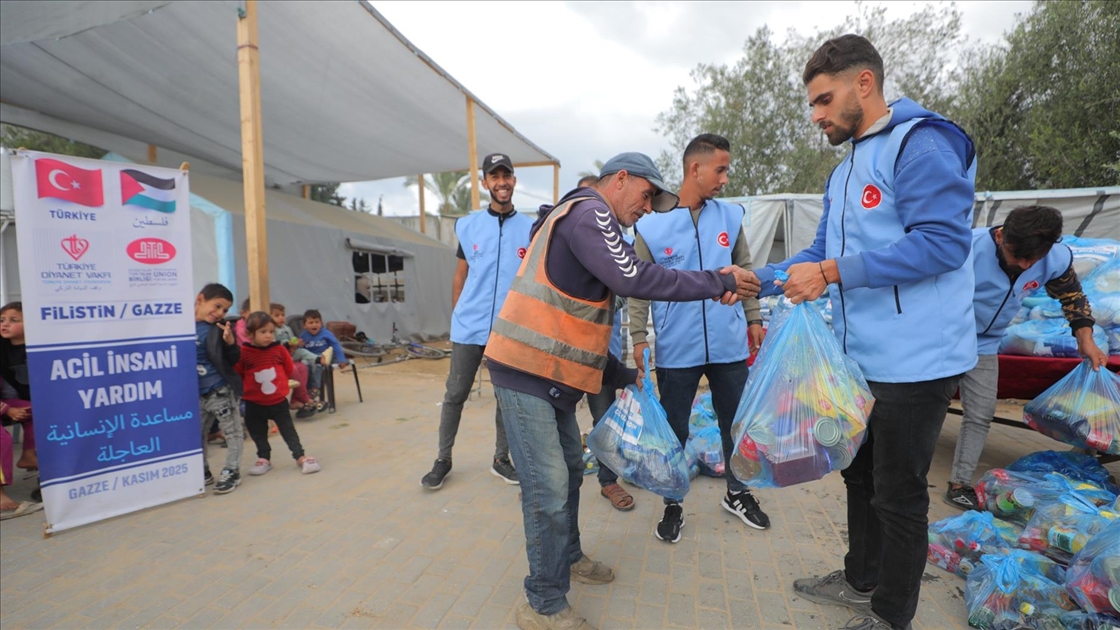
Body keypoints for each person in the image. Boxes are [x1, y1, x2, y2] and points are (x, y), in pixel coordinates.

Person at [751, 36, 979, 630]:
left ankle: (890, 614)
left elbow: (943, 243)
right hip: (861, 360)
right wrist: (759, 279)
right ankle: (860, 578)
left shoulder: (922, 142)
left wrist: (829, 273)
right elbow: (822, 250)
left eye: (823, 100)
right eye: (811, 104)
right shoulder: (848, 166)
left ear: (865, 84)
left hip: (917, 361)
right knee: (857, 472)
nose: (816, 115)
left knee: (899, 496)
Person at [483, 152, 762, 630]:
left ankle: (565, 557)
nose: (649, 208)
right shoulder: (591, 212)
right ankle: (543, 604)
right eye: (646, 195)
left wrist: (623, 374)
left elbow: (578, 324)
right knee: (547, 486)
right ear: (621, 180)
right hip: (526, 372)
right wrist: (717, 280)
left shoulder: (594, 225)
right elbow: (635, 278)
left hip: (552, 378)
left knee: (571, 471)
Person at [630, 133, 770, 541]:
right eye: (720, 169)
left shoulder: (729, 217)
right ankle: (673, 503)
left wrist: (753, 317)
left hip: (728, 344)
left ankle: (738, 493)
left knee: (736, 423)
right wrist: (639, 336)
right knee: (675, 429)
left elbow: (744, 269)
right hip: (678, 348)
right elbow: (638, 286)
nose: (725, 178)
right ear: (696, 168)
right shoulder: (653, 227)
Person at [946, 205, 1109, 510]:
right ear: (1000, 237)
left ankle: (959, 484)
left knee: (980, 414)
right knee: (927, 407)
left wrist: (1085, 338)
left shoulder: (1055, 259)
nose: (1023, 265)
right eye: (1016, 256)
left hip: (986, 344)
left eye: (1031, 260)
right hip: (943, 339)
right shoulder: (964, 248)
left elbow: (1071, 294)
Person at [420, 153, 533, 490]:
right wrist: (459, 315)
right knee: (455, 393)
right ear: (485, 183)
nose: (501, 182)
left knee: (507, 397)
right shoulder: (468, 225)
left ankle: (502, 459)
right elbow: (460, 275)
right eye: (494, 177)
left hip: (509, 329)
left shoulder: (530, 227)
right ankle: (443, 459)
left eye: (506, 176)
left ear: (514, 180)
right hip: (469, 327)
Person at [235, 311, 321, 476]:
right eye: (263, 332)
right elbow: (239, 372)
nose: (268, 336)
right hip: (253, 402)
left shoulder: (279, 350)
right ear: (249, 334)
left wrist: (281, 385)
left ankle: (300, 456)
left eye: (271, 332)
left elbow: (289, 368)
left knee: (288, 429)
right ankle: (264, 458)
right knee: (257, 431)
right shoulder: (244, 353)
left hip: (277, 401)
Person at [194, 283, 246, 495]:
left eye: (224, 310)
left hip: (220, 391)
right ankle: (203, 470)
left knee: (233, 431)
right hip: (196, 394)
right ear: (200, 300)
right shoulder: (178, 325)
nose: (219, 313)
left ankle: (232, 470)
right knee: (197, 435)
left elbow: (233, 359)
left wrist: (231, 343)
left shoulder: (219, 329)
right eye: (216, 306)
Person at [0, 302, 37, 473]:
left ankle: (28, 456)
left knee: (36, 412)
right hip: (6, 401)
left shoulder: (37, 346)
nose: (5, 324)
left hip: (18, 398)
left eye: (13, 320)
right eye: (1, 320)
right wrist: (7, 409)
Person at [270, 303, 316, 418]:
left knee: (303, 368)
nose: (281, 317)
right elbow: (274, 346)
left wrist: (296, 344)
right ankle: (305, 398)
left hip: (290, 356)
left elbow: (292, 340)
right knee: (294, 368)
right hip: (278, 360)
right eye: (277, 315)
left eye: (282, 315)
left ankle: (295, 400)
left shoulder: (287, 328)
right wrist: (287, 345)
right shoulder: (271, 330)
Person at [297, 309, 348, 404]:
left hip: (325, 356)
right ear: (304, 325)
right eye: (311, 322)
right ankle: (308, 390)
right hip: (311, 357)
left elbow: (336, 346)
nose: (314, 325)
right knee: (304, 365)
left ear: (321, 323)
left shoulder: (326, 334)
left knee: (318, 364)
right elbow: (300, 350)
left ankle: (315, 388)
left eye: (317, 322)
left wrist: (341, 359)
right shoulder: (303, 336)